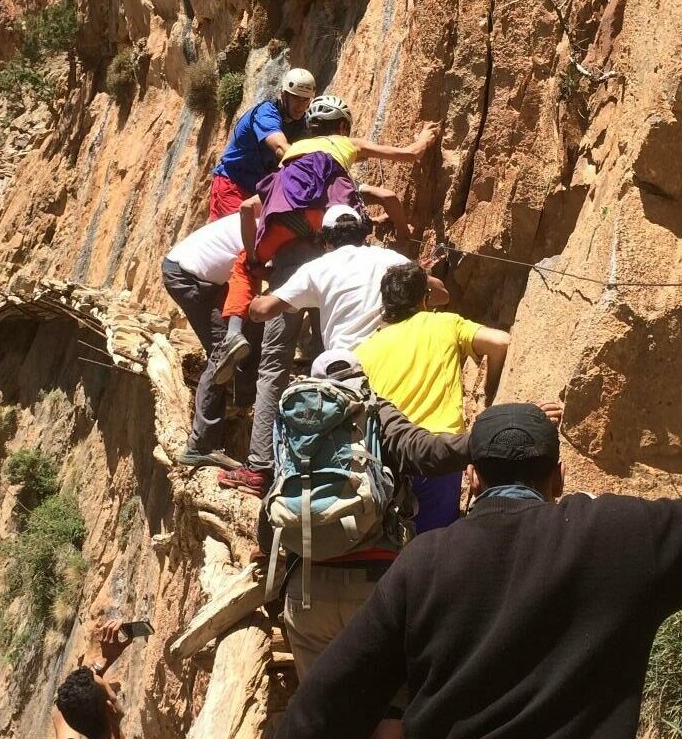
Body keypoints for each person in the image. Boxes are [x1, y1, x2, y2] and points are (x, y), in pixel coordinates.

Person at [277, 390, 682, 739]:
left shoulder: (423, 565)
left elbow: (319, 713)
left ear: (471, 478)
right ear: (557, 476)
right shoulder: (616, 537)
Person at [275, 351, 563, 739]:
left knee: (326, 712)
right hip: (374, 586)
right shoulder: (371, 412)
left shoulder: (292, 423)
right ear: (362, 377)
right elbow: (427, 453)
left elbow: (272, 498)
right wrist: (498, 438)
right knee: (395, 711)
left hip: (306, 588)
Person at [210, 96, 439, 383]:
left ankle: (238, 343)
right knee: (331, 313)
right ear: (342, 126)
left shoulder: (294, 152)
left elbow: (246, 208)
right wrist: (425, 138)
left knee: (274, 359)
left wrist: (257, 259)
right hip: (321, 229)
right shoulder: (347, 143)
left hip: (282, 230)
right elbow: (409, 155)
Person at [354, 261, 511, 531]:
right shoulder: (444, 324)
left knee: (394, 544)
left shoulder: (364, 349)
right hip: (439, 455)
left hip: (388, 458)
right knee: (436, 546)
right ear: (424, 299)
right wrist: (489, 392)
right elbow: (500, 342)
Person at [249, 206, 449, 351]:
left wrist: (256, 301)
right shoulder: (391, 258)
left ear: (325, 240)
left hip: (345, 364)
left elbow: (262, 312)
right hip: (393, 357)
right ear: (363, 235)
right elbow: (442, 295)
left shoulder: (316, 268)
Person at [160, 215, 246, 470]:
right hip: (188, 277)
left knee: (235, 336)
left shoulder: (262, 216)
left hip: (194, 273)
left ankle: (239, 397)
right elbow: (246, 281)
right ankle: (200, 446)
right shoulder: (261, 231)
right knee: (223, 351)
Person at [208, 68, 316, 220]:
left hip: (258, 191)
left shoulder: (302, 124)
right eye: (296, 98)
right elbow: (280, 147)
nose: (300, 105)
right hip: (232, 185)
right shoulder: (266, 113)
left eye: (305, 100)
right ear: (284, 95)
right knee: (234, 239)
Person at [52, 621, 130, 739]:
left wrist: (104, 660)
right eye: (112, 692)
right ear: (110, 708)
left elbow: (62, 707)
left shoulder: (70, 721)